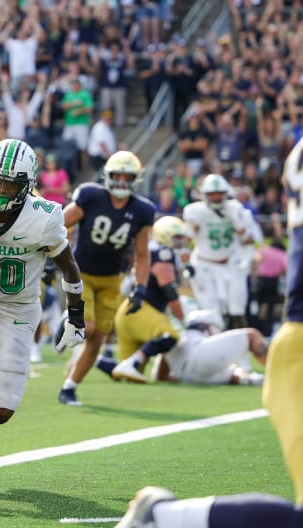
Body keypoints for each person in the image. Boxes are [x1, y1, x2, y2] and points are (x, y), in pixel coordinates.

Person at [114, 137, 303, 528]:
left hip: (218, 336)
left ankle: (162, 516)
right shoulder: (173, 258)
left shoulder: (226, 217)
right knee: (225, 331)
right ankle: (162, 517)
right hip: (186, 326)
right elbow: (168, 297)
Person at [0, 138, 85, 477]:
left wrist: (76, 316)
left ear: (26, 186)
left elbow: (68, 268)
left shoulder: (43, 217)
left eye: (9, 184)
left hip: (19, 310)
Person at [57, 151, 155, 406]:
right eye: (117, 176)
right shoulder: (91, 196)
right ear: (108, 176)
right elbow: (58, 224)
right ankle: (68, 318)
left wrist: (141, 287)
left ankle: (70, 386)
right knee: (87, 328)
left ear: (136, 179)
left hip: (111, 279)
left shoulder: (142, 210)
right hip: (81, 273)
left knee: (98, 338)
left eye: (127, 176)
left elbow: (142, 255)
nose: (122, 181)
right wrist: (50, 257)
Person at [109, 215, 187, 383]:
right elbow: (169, 291)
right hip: (142, 310)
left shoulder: (152, 249)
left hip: (128, 311)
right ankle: (131, 362)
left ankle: (94, 360)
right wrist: (183, 319)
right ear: (165, 235)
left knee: (128, 372)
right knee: (170, 336)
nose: (180, 241)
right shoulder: (163, 253)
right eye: (177, 237)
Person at [182, 173, 250, 328]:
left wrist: (236, 222)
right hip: (205, 265)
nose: (217, 198)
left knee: (236, 309)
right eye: (212, 194)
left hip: (228, 264)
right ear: (205, 195)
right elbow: (185, 240)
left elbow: (248, 239)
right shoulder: (197, 212)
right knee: (211, 313)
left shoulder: (234, 209)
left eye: (219, 193)